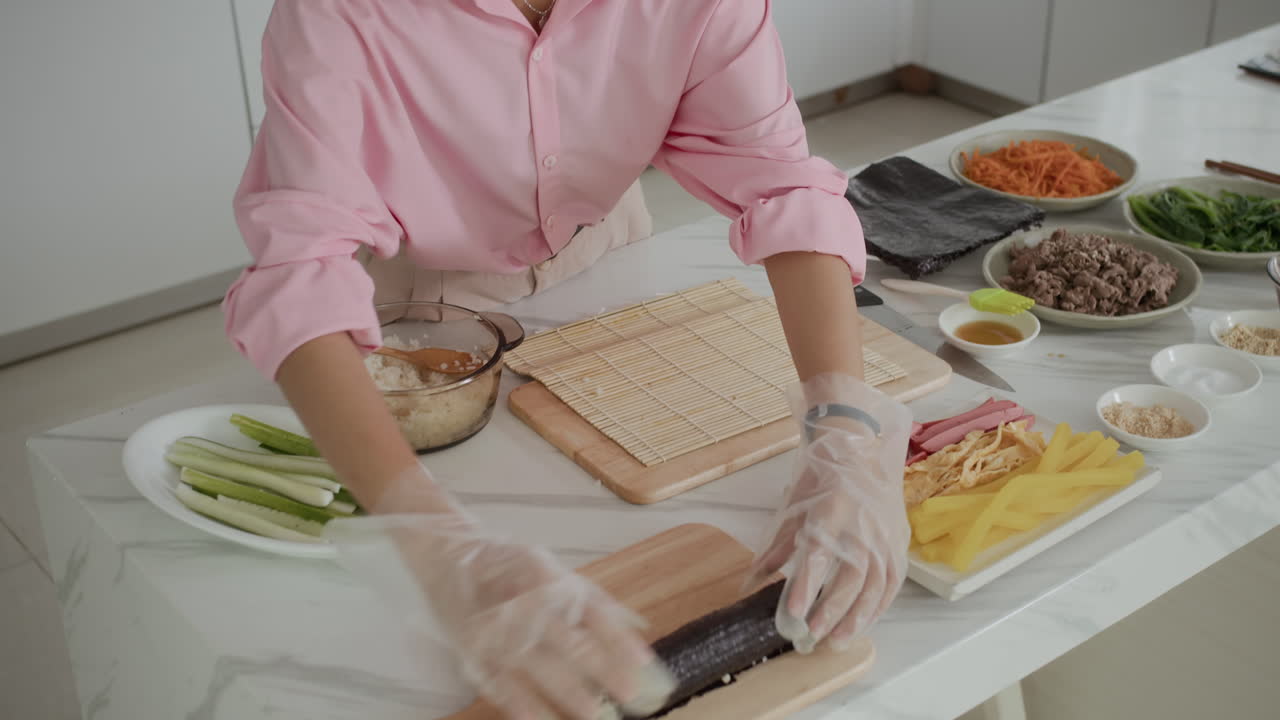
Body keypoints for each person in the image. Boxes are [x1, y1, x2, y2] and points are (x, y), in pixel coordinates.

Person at [223, 1, 914, 718]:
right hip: (427, 313)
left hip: (609, 261)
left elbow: (781, 184)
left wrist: (843, 426)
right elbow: (297, 270)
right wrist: (435, 545)